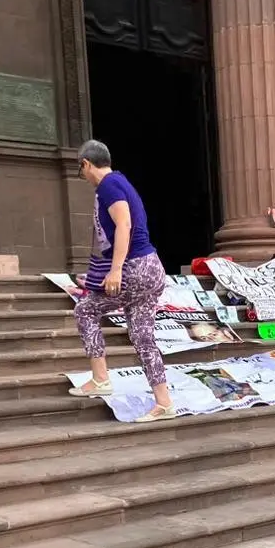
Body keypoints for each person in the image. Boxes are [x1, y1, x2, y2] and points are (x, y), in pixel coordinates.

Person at [67, 139, 175, 423]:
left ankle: (101, 378)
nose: (84, 176)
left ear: (86, 164)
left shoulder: (108, 186)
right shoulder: (121, 181)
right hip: (152, 267)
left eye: (82, 170)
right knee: (142, 337)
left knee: (85, 309)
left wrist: (114, 271)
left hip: (134, 267)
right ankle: (163, 402)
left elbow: (123, 224)